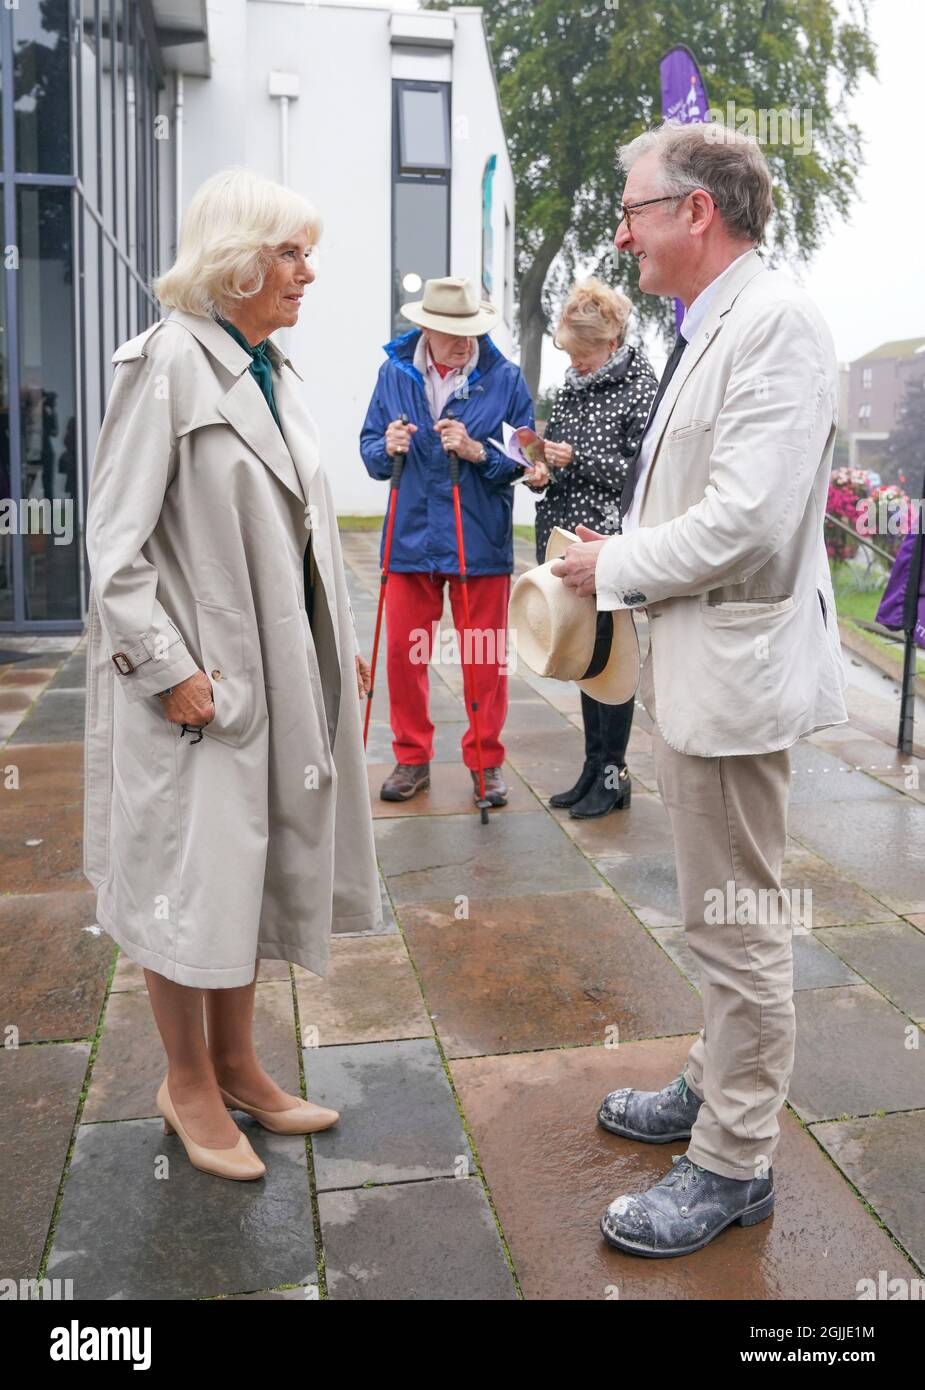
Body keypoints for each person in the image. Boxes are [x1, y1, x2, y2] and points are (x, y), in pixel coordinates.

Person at [552, 119, 848, 1257]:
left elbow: (749, 519)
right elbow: (701, 489)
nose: (620, 233)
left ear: (695, 213)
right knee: (716, 913)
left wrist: (610, 565)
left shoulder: (771, 324)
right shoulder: (719, 318)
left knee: (741, 921)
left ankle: (732, 1160)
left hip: (735, 671)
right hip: (705, 664)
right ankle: (711, 1080)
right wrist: (617, 541)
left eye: (631, 209)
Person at [83, 168, 381, 1183]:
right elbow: (113, 545)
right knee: (186, 880)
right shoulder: (167, 362)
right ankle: (187, 1082)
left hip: (273, 675)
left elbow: (298, 526)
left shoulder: (266, 368)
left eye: (306, 252)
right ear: (237, 260)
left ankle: (240, 1065)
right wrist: (165, 670)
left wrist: (342, 636)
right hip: (197, 694)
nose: (307, 273)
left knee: (248, 870)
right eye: (290, 253)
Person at [360, 276, 534, 807]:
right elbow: (369, 451)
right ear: (426, 328)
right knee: (402, 656)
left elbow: (525, 459)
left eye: (472, 331)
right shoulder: (394, 373)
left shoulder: (504, 379)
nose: (465, 342)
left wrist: (479, 452)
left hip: (477, 543)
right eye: (453, 332)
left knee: (483, 657)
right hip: (410, 537)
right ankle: (412, 759)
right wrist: (385, 446)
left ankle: (487, 764)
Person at [525, 278, 657, 817]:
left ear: (609, 341)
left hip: (610, 544)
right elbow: (558, 461)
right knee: (584, 660)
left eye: (581, 354)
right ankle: (591, 769)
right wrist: (543, 473)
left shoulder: (641, 385)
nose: (574, 364)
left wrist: (576, 458)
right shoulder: (575, 384)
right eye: (570, 355)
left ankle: (613, 775)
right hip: (565, 540)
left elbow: (645, 476)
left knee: (612, 664)